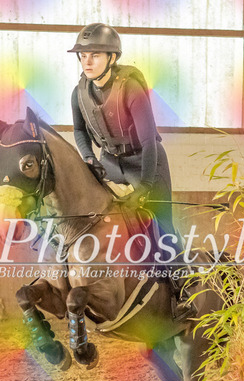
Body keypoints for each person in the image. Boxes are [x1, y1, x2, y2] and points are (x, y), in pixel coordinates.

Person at [68, 22, 195, 322]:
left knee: (161, 223)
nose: (87, 61)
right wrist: (89, 158)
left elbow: (149, 141)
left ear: (112, 57)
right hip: (110, 163)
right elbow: (79, 131)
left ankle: (184, 289)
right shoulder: (79, 92)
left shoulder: (130, 88)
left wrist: (145, 187)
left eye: (95, 55)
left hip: (146, 162)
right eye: (83, 56)